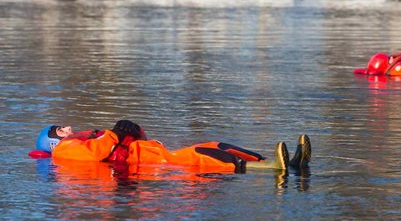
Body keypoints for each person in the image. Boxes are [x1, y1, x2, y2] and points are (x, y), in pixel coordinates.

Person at [32, 120, 312, 173]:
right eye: (59, 130)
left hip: (156, 155)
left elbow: (125, 142)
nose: (67, 129)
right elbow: (97, 155)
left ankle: (280, 162)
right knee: (202, 155)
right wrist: (115, 134)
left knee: (215, 144)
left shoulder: (87, 137)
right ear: (52, 141)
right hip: (156, 165)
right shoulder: (64, 151)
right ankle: (271, 169)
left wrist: (131, 131)